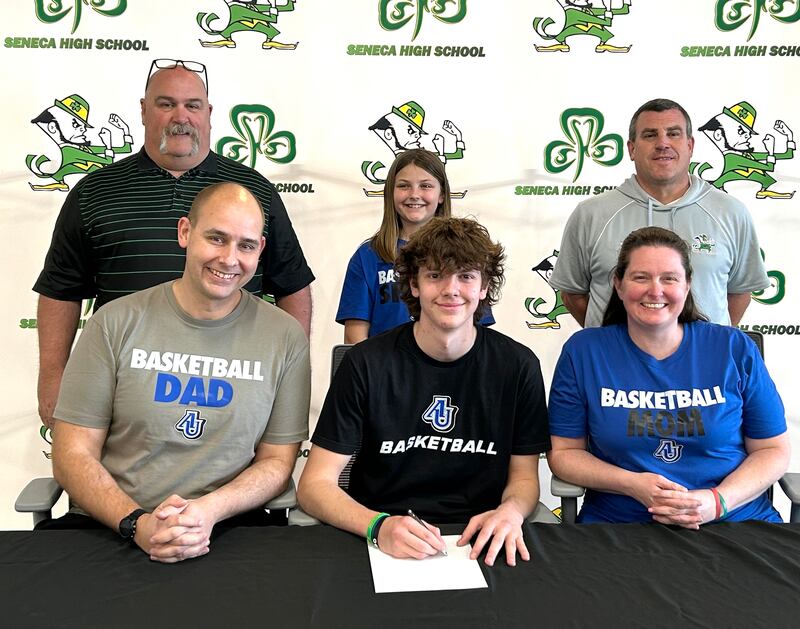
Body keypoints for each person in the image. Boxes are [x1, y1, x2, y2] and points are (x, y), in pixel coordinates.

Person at [33, 58, 314, 430]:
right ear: (144, 111)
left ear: (209, 113)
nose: (180, 116)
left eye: (192, 105)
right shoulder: (94, 192)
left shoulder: (253, 192)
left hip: (231, 386)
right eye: (166, 104)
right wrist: (53, 381)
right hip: (120, 388)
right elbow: (60, 291)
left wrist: (287, 378)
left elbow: (292, 286)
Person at [49, 182, 311, 563]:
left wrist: (206, 512)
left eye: (246, 245)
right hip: (112, 527)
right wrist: (137, 523)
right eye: (216, 238)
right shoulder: (114, 322)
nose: (229, 259)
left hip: (229, 528)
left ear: (261, 252)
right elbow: (72, 452)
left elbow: (276, 463)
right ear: (185, 232)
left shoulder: (285, 336)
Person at [299, 217, 550, 567]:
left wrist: (510, 512)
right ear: (414, 285)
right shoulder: (365, 364)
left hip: (480, 536)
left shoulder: (518, 366)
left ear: (483, 288)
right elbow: (315, 484)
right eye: (435, 275)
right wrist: (377, 526)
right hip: (378, 533)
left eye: (465, 275)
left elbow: (524, 476)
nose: (451, 289)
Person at [548, 226, 790, 525]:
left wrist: (717, 501)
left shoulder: (733, 348)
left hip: (734, 520)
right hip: (622, 525)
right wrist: (631, 484)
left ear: (687, 286)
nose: (655, 290)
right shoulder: (584, 351)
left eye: (669, 278)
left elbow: (772, 449)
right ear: (619, 285)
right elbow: (565, 453)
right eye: (640, 277)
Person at [549, 97, 769, 328]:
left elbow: (739, 292)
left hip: (702, 362)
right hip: (617, 363)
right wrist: (612, 343)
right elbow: (573, 295)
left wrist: (705, 344)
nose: (663, 143)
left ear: (690, 146)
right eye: (650, 135)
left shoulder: (731, 213)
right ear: (632, 149)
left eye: (673, 134)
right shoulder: (591, 214)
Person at [337, 149, 492, 343]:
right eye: (404, 186)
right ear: (390, 193)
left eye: (425, 186)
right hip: (384, 369)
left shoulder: (467, 252)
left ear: (442, 195)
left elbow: (478, 332)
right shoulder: (367, 256)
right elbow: (355, 339)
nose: (414, 194)